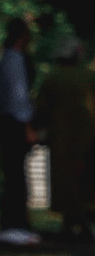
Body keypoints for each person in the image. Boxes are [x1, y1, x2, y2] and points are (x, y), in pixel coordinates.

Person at [35, 30, 95, 243]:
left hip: (60, 137)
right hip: (87, 136)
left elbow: (41, 107)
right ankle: (81, 221)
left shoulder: (53, 77)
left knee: (65, 180)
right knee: (84, 180)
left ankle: (71, 222)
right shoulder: (89, 76)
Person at [0, 15, 40, 245]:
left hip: (5, 122)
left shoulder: (2, 61)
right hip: (14, 124)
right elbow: (18, 99)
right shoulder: (15, 61)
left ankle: (12, 222)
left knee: (12, 173)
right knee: (16, 176)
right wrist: (28, 126)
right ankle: (15, 224)